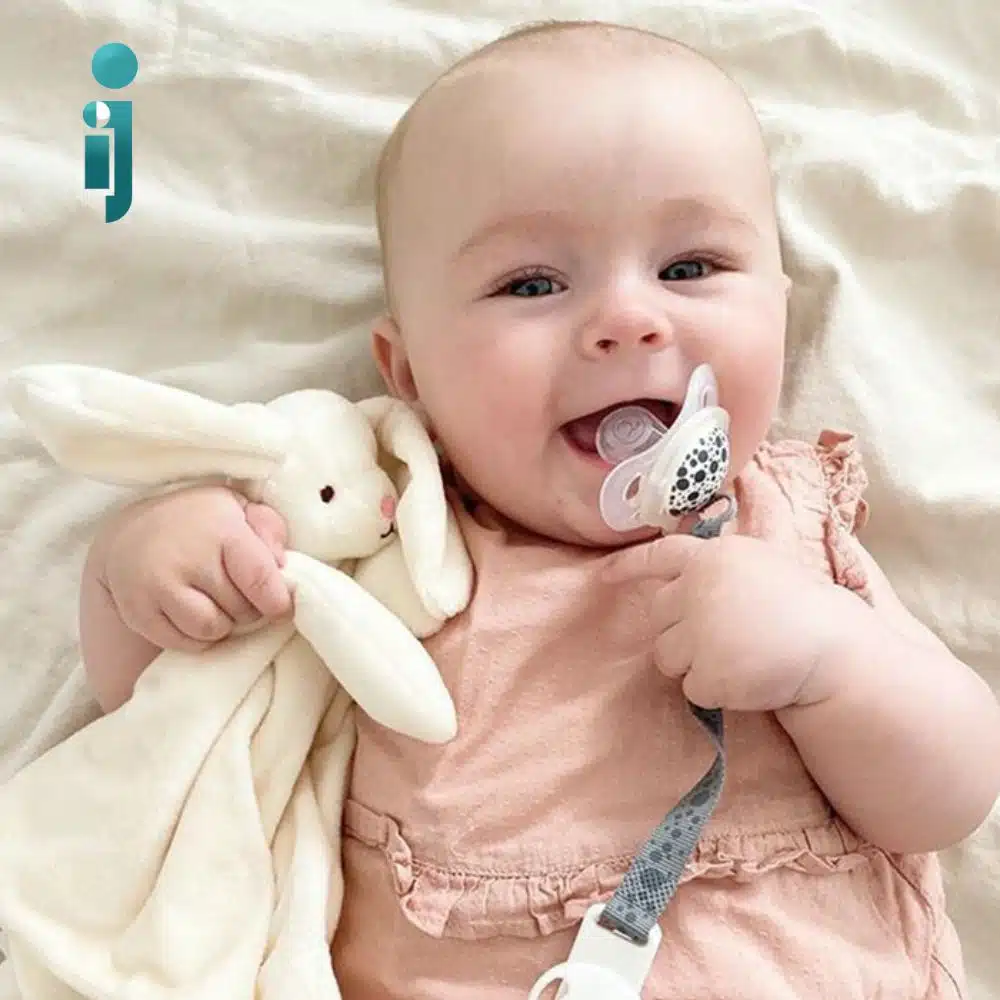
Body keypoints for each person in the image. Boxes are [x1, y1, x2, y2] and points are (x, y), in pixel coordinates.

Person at [77, 19, 1000, 998]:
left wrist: (828, 663)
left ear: (779, 306)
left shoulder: (788, 526)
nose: (628, 320)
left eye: (689, 268)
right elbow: (178, 729)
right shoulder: (383, 535)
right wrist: (147, 570)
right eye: (531, 283)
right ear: (408, 370)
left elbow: (948, 798)